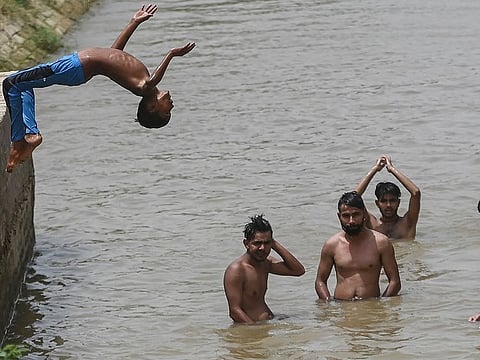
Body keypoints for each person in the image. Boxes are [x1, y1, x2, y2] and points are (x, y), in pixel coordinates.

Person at [2, 4, 195, 173]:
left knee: (11, 84)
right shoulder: (142, 79)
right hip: (74, 65)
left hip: (75, 68)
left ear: (152, 108)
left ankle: (21, 141)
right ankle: (30, 134)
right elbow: (113, 53)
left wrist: (171, 54)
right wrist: (133, 23)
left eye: (167, 111)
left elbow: (151, 81)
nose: (172, 105)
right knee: (19, 83)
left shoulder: (143, 88)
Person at [315, 191, 401, 301]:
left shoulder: (381, 243)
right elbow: (320, 281)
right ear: (339, 216)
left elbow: (395, 281)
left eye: (356, 214)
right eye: (346, 216)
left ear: (364, 214)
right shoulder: (332, 245)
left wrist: (380, 304)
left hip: (371, 306)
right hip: (342, 307)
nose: (351, 221)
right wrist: (328, 305)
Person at [223, 214, 305, 324]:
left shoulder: (266, 264)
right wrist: (256, 332)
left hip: (267, 323)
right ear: (246, 244)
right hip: (250, 331)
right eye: (257, 243)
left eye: (267, 243)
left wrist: (274, 244)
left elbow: (298, 271)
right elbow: (234, 311)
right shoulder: (237, 270)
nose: (262, 248)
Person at [355, 155, 421, 240]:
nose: (388, 205)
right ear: (377, 203)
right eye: (384, 201)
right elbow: (354, 197)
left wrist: (391, 169)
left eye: (392, 200)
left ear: (398, 202)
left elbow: (415, 193)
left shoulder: (408, 223)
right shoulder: (372, 224)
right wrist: (375, 169)